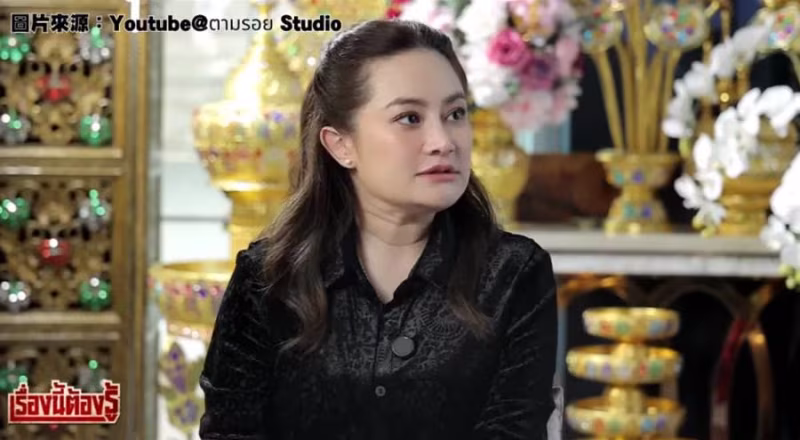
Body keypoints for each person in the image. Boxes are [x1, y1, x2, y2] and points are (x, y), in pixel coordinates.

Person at [198, 19, 559, 440]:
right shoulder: (268, 277)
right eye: (409, 118)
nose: (443, 140)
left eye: (455, 114)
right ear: (341, 145)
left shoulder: (514, 273)